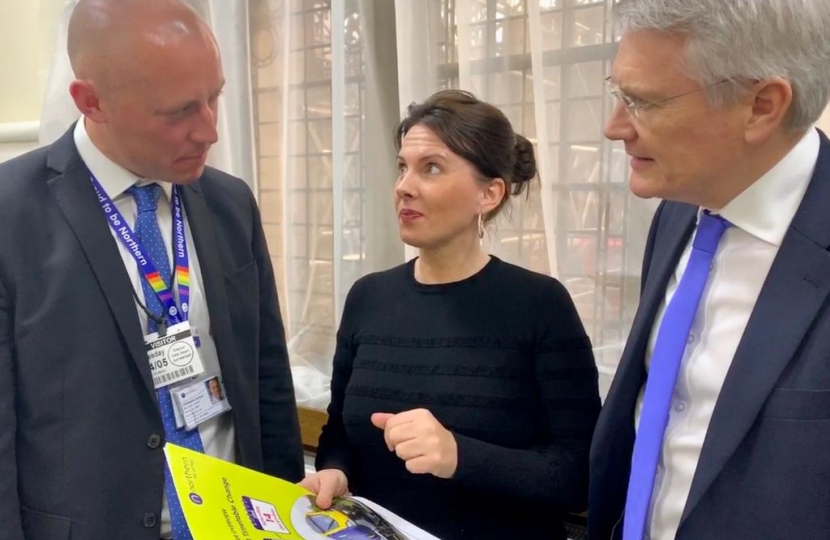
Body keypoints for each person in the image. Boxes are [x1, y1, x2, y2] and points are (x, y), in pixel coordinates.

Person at [0, 0, 304, 538]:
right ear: (91, 101)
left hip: (233, 521)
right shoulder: (11, 215)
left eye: (215, 97)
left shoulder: (230, 204)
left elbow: (267, 380)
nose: (209, 131)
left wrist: (286, 516)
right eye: (180, 111)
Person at [300, 90, 601, 540]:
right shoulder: (368, 297)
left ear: (489, 192)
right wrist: (336, 473)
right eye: (403, 167)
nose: (404, 185)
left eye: (432, 168)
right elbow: (340, 433)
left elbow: (580, 476)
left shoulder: (540, 305)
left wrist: (459, 455)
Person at [589, 1, 830, 539]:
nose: (614, 127)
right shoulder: (678, 212)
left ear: (762, 106)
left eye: (642, 102)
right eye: (617, 92)